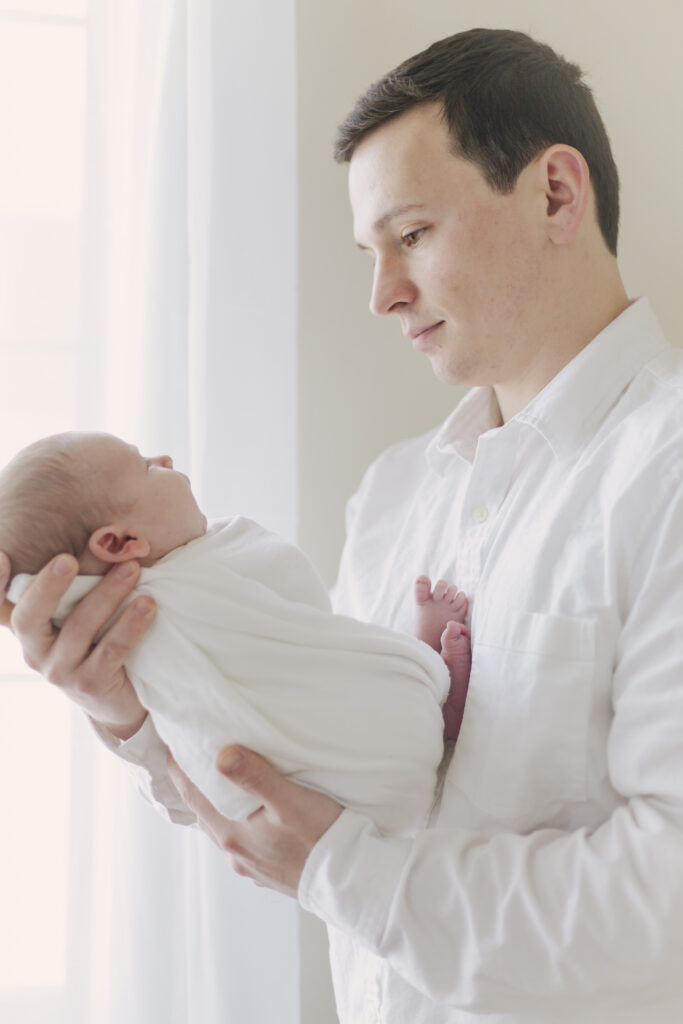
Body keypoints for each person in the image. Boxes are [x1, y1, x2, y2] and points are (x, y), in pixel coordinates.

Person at [3, 25, 683, 1023]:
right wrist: (137, 711)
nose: (380, 294)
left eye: (409, 235)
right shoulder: (396, 496)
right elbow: (306, 790)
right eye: (371, 252)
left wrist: (341, 870)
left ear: (553, 192)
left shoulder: (662, 478)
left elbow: (663, 909)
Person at [0, 430, 470, 833]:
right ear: (120, 543)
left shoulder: (186, 586)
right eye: (146, 468)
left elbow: (314, 642)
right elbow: (201, 763)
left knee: (339, 681)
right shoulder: (144, 617)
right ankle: (433, 695)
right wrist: (119, 712)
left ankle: (426, 688)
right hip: (331, 786)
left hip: (363, 776)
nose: (164, 460)